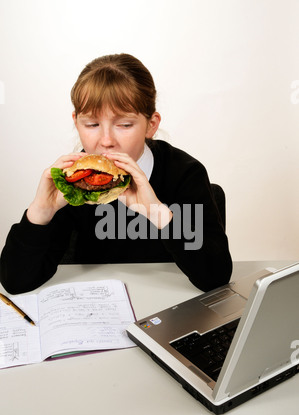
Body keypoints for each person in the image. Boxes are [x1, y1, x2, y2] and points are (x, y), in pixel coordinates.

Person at [0, 53, 232, 295]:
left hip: (165, 306)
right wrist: (40, 213)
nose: (106, 141)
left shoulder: (184, 173)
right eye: (91, 124)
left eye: (124, 125)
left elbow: (215, 278)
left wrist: (158, 213)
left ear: (151, 125)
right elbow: (16, 282)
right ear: (76, 122)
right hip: (95, 306)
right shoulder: (72, 182)